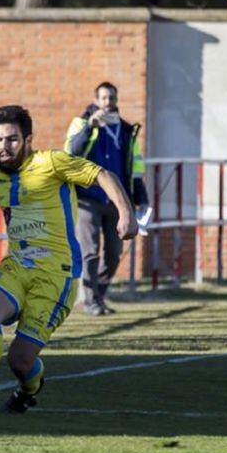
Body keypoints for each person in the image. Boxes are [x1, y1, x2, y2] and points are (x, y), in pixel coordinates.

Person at [0, 105, 136, 413]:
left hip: (55, 275)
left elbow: (101, 174)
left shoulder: (52, 163)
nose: (3, 148)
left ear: (28, 139)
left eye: (11, 140)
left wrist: (126, 213)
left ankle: (28, 389)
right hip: (18, 265)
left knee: (20, 361)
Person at [64, 82, 148, 316]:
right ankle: (90, 301)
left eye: (111, 98)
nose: (107, 103)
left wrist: (141, 198)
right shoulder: (81, 123)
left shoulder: (125, 129)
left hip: (116, 200)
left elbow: (135, 167)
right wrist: (90, 127)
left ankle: (98, 295)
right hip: (87, 197)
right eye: (103, 98)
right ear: (96, 99)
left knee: (113, 252)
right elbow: (71, 153)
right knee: (90, 251)